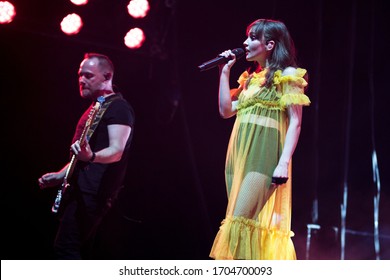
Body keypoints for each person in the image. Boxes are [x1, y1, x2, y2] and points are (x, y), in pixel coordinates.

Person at [209, 19, 310, 260]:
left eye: (252, 37)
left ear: (270, 44)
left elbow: (295, 122)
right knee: (237, 223)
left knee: (239, 221)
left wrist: (283, 162)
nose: (245, 42)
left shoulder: (288, 75)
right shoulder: (250, 79)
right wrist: (225, 71)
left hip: (264, 157)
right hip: (239, 157)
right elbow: (225, 111)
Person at [38, 52, 135, 259]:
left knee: (66, 250)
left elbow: (116, 151)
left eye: (88, 75)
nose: (81, 80)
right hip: (80, 191)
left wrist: (91, 157)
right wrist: (60, 175)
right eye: (80, 75)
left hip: (93, 193)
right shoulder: (95, 107)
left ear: (107, 76)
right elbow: (81, 155)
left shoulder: (118, 108)